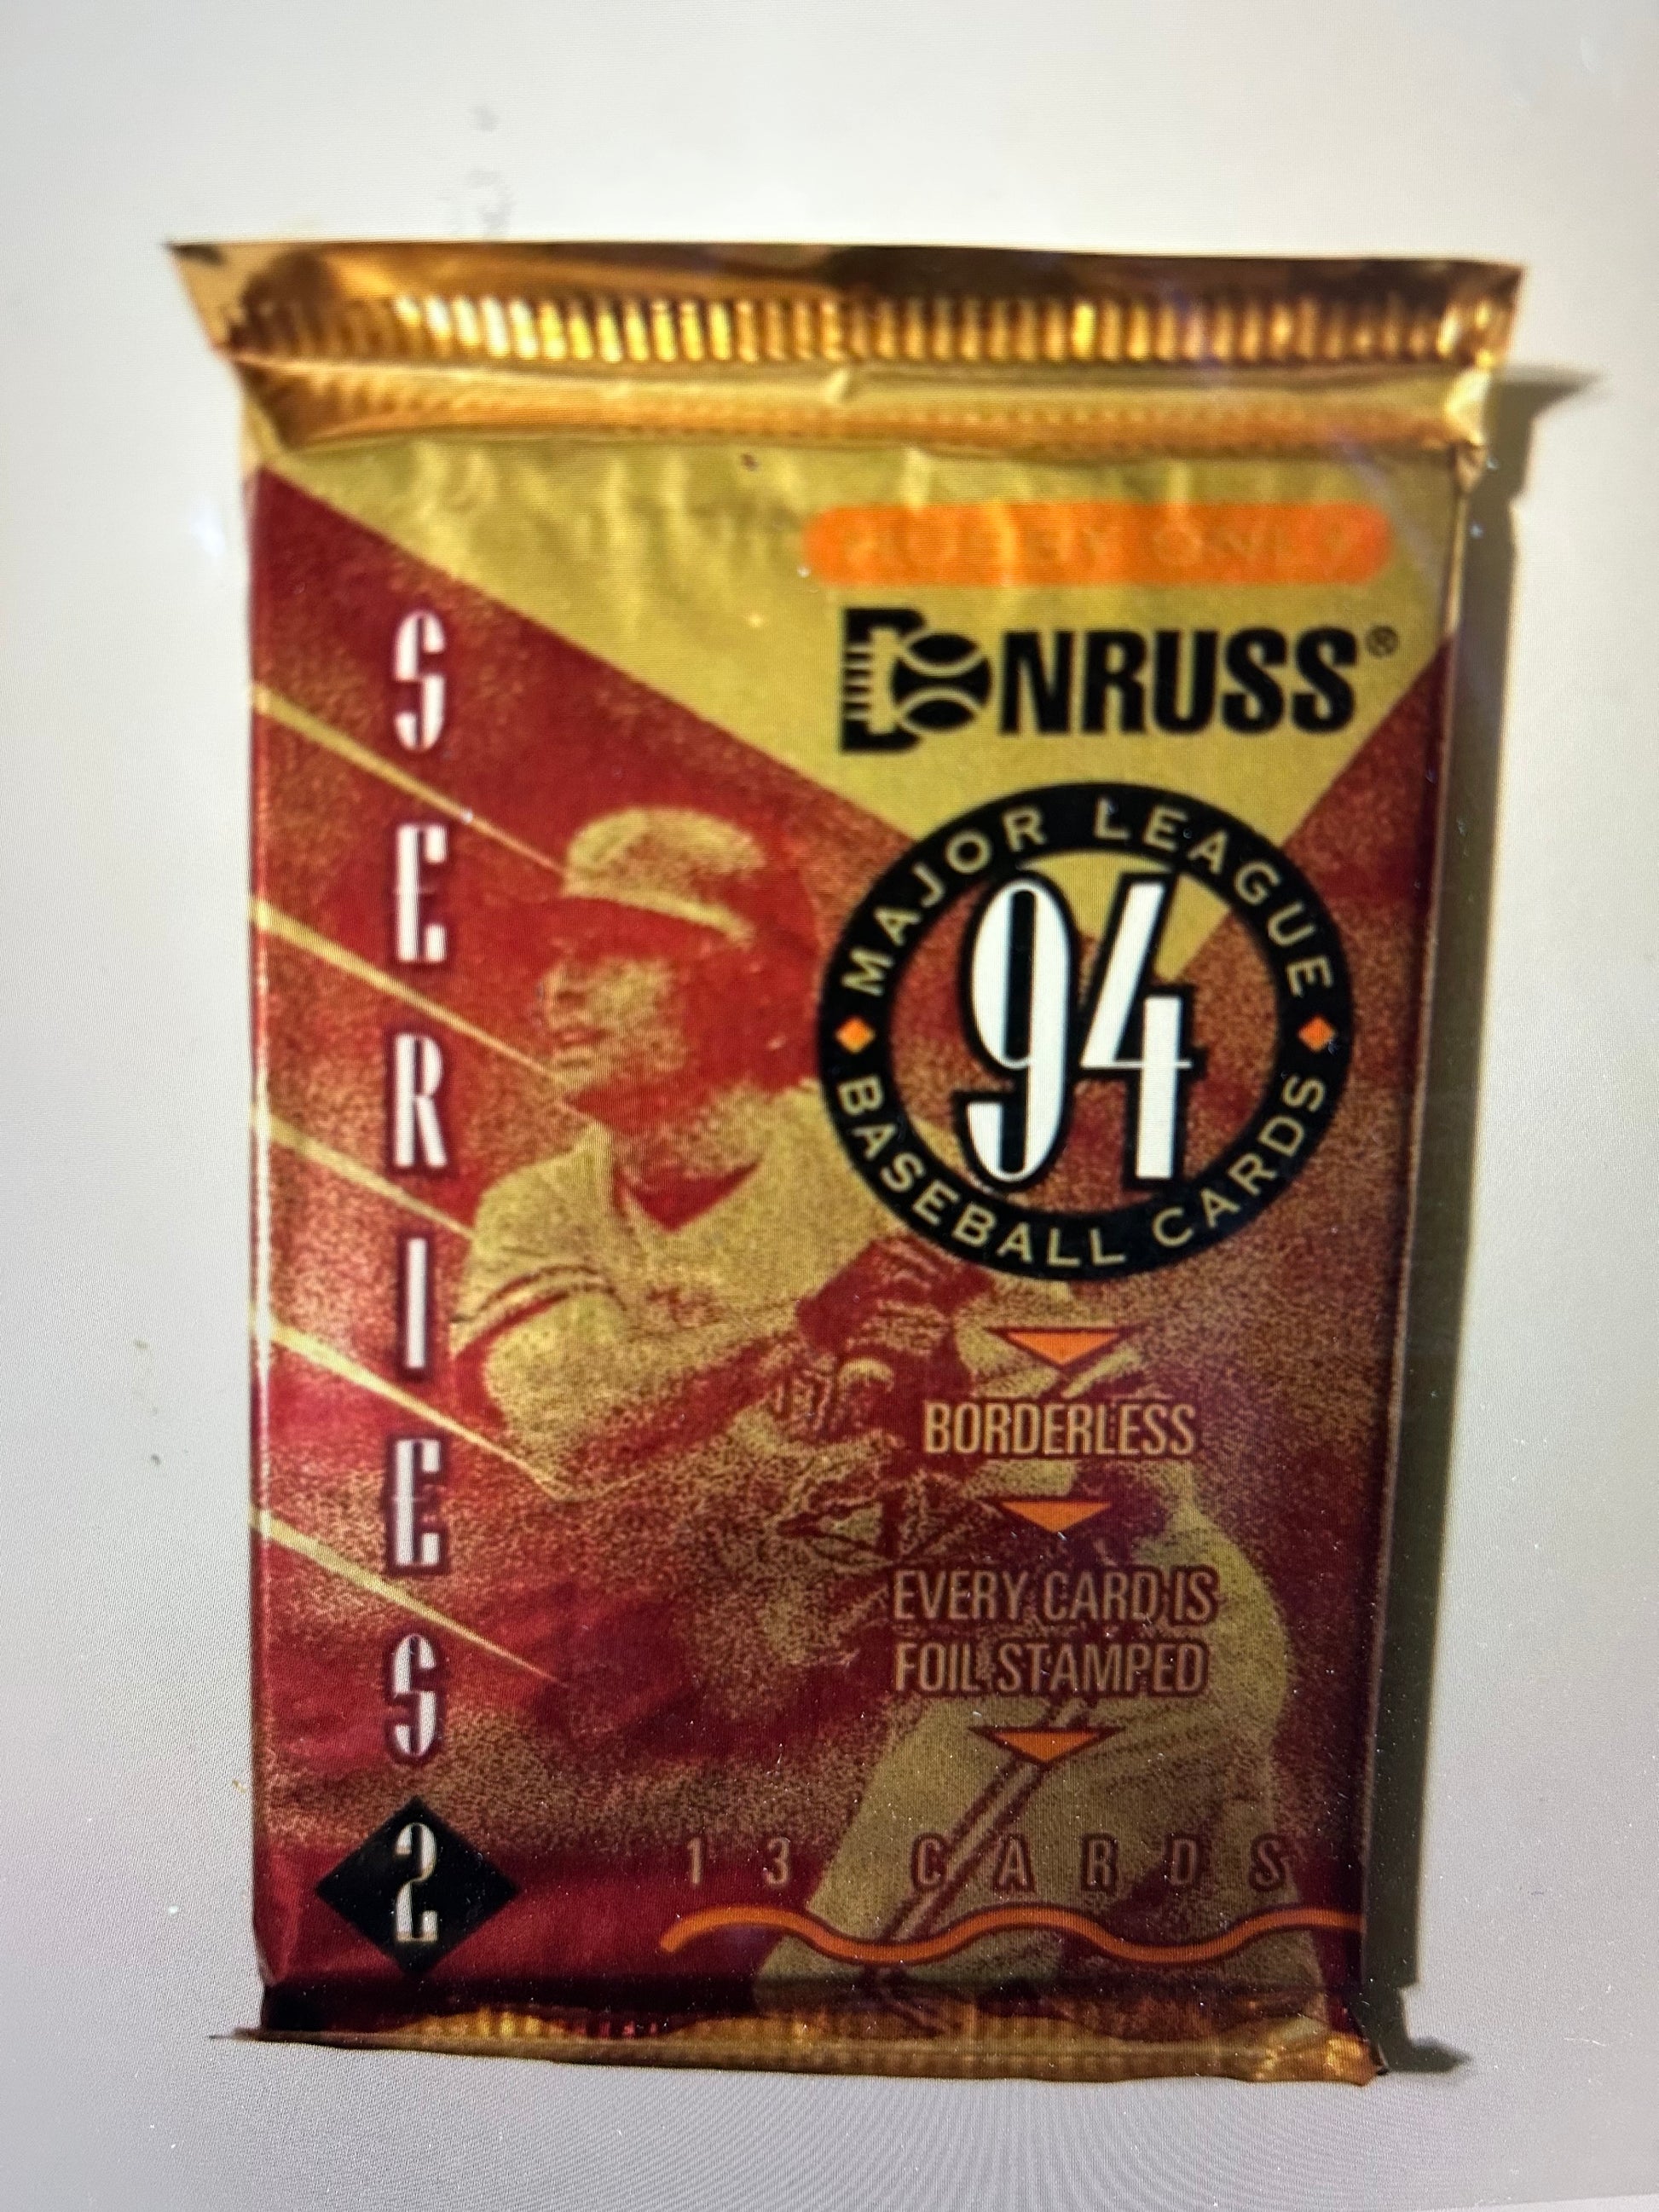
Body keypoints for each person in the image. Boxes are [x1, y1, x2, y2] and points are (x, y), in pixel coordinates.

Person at [455, 806, 1309, 1995]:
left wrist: (956, 1408)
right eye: (559, 952)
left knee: (845, 1993)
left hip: (1109, 1645)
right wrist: (806, 1331)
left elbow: (1137, 1476)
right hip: (948, 1690)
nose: (563, 988)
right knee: (1217, 2021)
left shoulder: (892, 1176)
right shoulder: (541, 1210)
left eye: (618, 950)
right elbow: (568, 1414)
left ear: (742, 988)